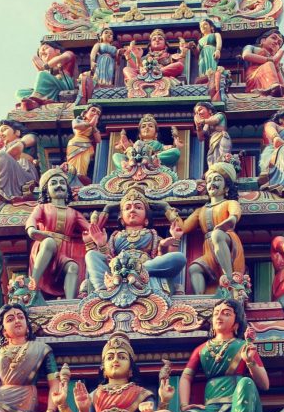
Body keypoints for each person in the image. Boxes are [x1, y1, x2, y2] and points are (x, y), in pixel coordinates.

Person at [177, 299, 269, 412]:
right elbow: (185, 377)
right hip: (210, 407)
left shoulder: (243, 347)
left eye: (226, 313)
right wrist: (183, 405)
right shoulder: (202, 349)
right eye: (216, 313)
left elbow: (264, 384)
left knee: (246, 383)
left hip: (237, 406)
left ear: (236, 323)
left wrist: (250, 362)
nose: (219, 317)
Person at [84, 189, 185, 297]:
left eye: (138, 207)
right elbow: (108, 259)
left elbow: (162, 257)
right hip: (118, 268)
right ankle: (103, 289)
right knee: (91, 255)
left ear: (146, 219)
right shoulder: (115, 236)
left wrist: (172, 241)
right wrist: (101, 243)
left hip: (144, 268)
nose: (132, 210)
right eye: (127, 208)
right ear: (121, 219)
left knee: (178, 258)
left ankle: (135, 271)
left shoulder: (152, 234)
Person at [171, 163, 244, 294]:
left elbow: (234, 215)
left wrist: (229, 221)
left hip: (226, 240)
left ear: (226, 187)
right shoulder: (201, 210)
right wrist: (167, 209)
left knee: (217, 234)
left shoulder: (229, 203)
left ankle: (229, 279)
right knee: (194, 268)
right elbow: (183, 227)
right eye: (209, 180)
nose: (212, 183)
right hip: (209, 250)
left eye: (217, 179)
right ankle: (200, 298)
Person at [25, 166, 91, 300]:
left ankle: (70, 302)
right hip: (45, 246)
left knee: (73, 267)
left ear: (67, 190)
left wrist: (96, 226)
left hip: (64, 252)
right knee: (49, 242)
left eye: (62, 183)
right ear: (46, 191)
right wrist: (31, 229)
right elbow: (32, 219)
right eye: (53, 183)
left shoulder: (74, 213)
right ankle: (32, 287)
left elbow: (89, 229)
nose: (59, 186)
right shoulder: (42, 207)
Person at [16, 38, 78, 110]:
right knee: (20, 93)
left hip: (64, 85)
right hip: (52, 89)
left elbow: (63, 58)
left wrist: (46, 66)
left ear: (57, 50)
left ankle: (35, 98)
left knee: (42, 75)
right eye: (41, 55)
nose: (42, 52)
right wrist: (36, 60)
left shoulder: (67, 54)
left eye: (45, 48)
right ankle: (43, 99)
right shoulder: (47, 70)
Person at [113, 113, 182, 173]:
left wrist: (175, 141)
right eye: (143, 126)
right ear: (139, 135)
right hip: (135, 159)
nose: (147, 128)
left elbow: (171, 149)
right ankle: (128, 167)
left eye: (150, 126)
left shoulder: (158, 145)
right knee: (116, 156)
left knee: (175, 152)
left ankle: (150, 160)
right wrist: (126, 146)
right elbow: (128, 151)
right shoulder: (136, 144)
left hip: (152, 160)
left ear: (156, 134)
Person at [242, 31, 284, 98]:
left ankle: (276, 89)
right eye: (273, 38)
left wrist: (277, 66)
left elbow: (282, 84)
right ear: (263, 40)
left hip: (276, 84)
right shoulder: (252, 48)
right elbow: (246, 55)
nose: (276, 42)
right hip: (255, 76)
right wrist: (271, 60)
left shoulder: (275, 61)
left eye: (279, 43)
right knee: (269, 64)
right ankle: (272, 87)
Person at [65, 105, 102, 180]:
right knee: (73, 165)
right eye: (93, 110)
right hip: (75, 144)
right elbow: (75, 126)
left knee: (83, 167)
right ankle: (72, 176)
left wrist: (93, 126)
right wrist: (91, 123)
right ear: (85, 113)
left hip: (86, 147)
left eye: (98, 113)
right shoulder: (78, 121)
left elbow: (98, 140)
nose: (95, 113)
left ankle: (80, 178)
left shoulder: (93, 128)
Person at [193, 101, 232, 167]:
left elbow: (215, 121)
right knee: (211, 158)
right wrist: (198, 127)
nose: (198, 113)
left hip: (221, 137)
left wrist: (201, 121)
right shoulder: (206, 125)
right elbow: (201, 138)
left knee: (223, 155)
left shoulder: (219, 115)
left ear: (209, 110)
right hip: (213, 142)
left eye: (200, 109)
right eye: (196, 113)